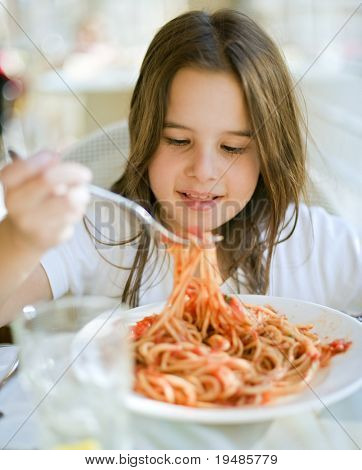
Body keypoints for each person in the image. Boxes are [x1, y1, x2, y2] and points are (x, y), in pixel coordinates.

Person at [0, 9, 361, 327]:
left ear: (269, 152)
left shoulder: (319, 244)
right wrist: (22, 237)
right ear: (144, 134)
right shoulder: (97, 231)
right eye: (177, 140)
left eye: (232, 147)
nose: (204, 171)